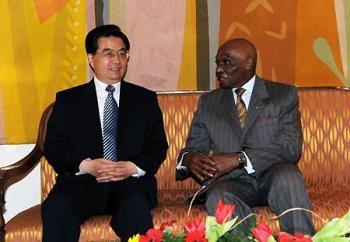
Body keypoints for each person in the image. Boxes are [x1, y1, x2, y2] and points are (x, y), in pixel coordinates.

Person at [42, 24, 168, 242]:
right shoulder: (69, 101)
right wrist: (86, 165)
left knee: (135, 205)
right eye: (108, 54)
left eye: (122, 54)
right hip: (82, 183)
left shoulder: (144, 100)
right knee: (57, 207)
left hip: (129, 184)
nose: (117, 61)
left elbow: (157, 146)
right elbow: (54, 147)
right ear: (91, 58)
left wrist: (131, 167)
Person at [176, 38, 315, 236]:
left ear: (248, 64)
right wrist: (189, 159)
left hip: (273, 174)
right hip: (232, 182)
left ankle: (301, 239)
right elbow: (194, 147)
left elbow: (290, 147)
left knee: (289, 177)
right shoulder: (209, 103)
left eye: (227, 62)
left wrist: (238, 158)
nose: (219, 69)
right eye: (218, 63)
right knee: (217, 195)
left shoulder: (283, 94)